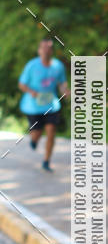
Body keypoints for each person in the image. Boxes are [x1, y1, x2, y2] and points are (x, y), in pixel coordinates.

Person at [18, 37, 70, 172]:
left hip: (51, 105)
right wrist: (31, 92)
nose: (46, 50)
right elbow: (22, 84)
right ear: (39, 50)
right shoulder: (32, 65)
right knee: (37, 132)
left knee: (51, 131)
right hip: (33, 106)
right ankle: (34, 139)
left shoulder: (58, 66)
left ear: (52, 50)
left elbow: (62, 83)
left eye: (49, 48)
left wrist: (65, 91)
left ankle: (46, 161)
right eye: (44, 48)